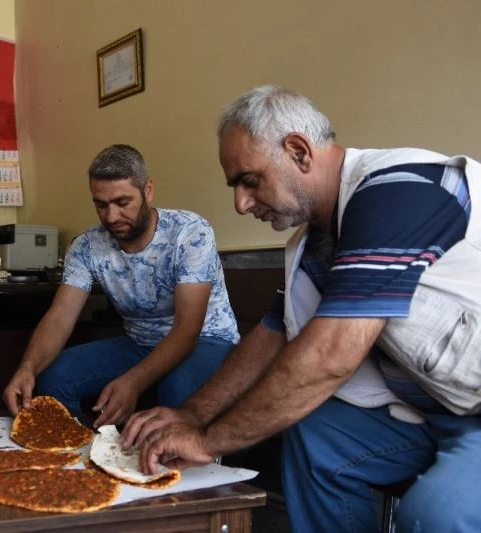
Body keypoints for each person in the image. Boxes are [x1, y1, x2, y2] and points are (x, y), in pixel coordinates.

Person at [123, 85, 481, 532]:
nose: (241, 203)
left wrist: (206, 439)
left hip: (474, 415)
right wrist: (193, 413)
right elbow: (271, 336)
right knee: (316, 437)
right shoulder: (314, 244)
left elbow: (328, 357)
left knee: (438, 514)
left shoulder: (397, 190)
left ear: (298, 151)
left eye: (249, 181)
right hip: (434, 413)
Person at [2, 144, 239, 428]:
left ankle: (178, 469)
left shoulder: (191, 233)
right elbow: (60, 316)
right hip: (140, 343)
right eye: (101, 205)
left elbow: (187, 331)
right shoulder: (86, 245)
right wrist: (27, 367)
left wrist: (134, 381)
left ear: (147, 190)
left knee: (177, 391)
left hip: (206, 339)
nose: (111, 217)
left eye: (122, 202)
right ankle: (84, 460)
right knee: (53, 376)